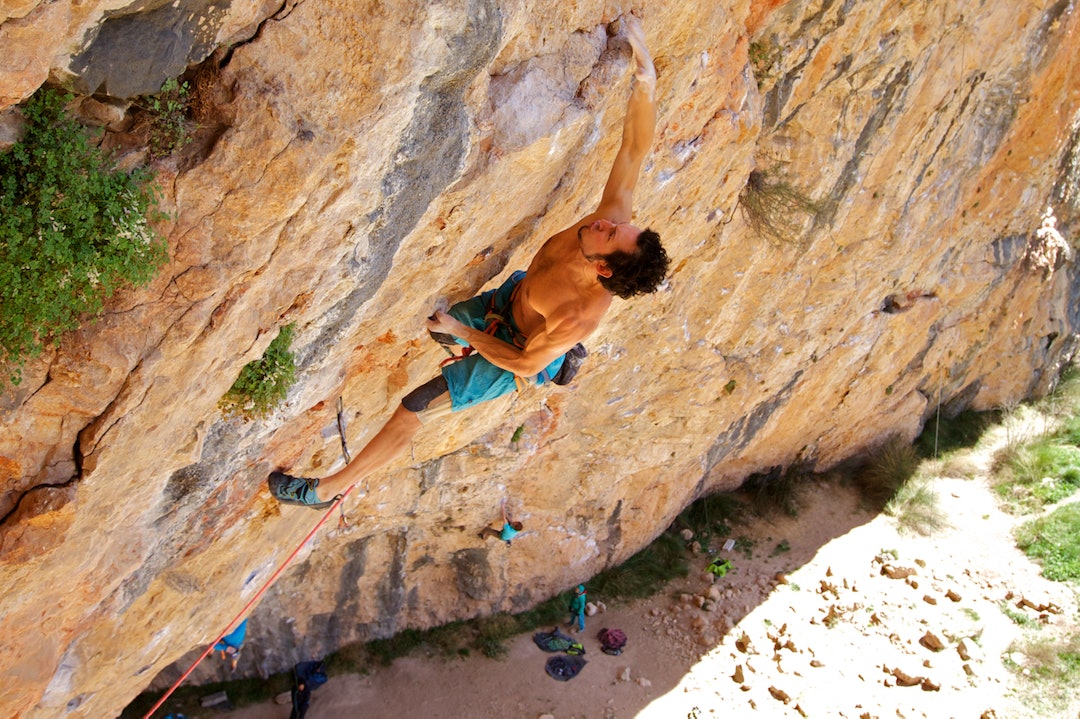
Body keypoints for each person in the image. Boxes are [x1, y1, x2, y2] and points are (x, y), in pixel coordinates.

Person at [269, 15, 669, 509]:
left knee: (415, 407)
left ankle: (323, 492)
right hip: (514, 300)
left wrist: (468, 338)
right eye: (615, 224)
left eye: (610, 233)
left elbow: (521, 363)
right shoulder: (607, 231)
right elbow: (634, 150)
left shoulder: (577, 315)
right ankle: (555, 359)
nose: (604, 221)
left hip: (519, 354)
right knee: (439, 326)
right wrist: (646, 77)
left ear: (604, 269)